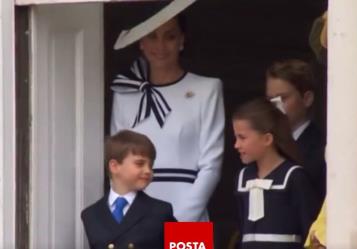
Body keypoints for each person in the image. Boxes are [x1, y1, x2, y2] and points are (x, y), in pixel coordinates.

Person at [110, 15, 225, 221]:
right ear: (141, 43)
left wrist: (180, 220)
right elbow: (118, 164)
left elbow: (211, 165)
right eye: (152, 36)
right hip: (137, 218)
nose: (160, 45)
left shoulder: (207, 89)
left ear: (182, 40)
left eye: (169, 36)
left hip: (191, 215)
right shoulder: (124, 94)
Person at [233, 98, 319, 249]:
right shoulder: (243, 178)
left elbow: (310, 230)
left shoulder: (294, 177)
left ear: (267, 139)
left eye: (242, 137)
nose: (236, 145)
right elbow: (241, 229)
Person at [81, 130, 176, 249]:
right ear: (114, 166)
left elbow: (196, 244)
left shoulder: (161, 211)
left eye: (150, 165)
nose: (148, 170)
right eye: (140, 163)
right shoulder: (91, 214)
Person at [266, 59, 326, 202]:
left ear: (307, 99)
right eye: (270, 99)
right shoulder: (262, 145)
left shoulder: (322, 149)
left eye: (283, 98)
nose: (275, 105)